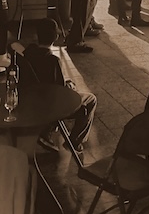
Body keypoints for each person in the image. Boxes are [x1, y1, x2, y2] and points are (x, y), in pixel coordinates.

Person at [16, 18, 97, 152]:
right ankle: (74, 141)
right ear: (56, 37)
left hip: (30, 100)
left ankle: (47, 131)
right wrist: (69, 86)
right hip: (49, 106)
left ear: (37, 35)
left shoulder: (28, 53)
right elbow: (60, 91)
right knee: (90, 100)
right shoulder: (52, 61)